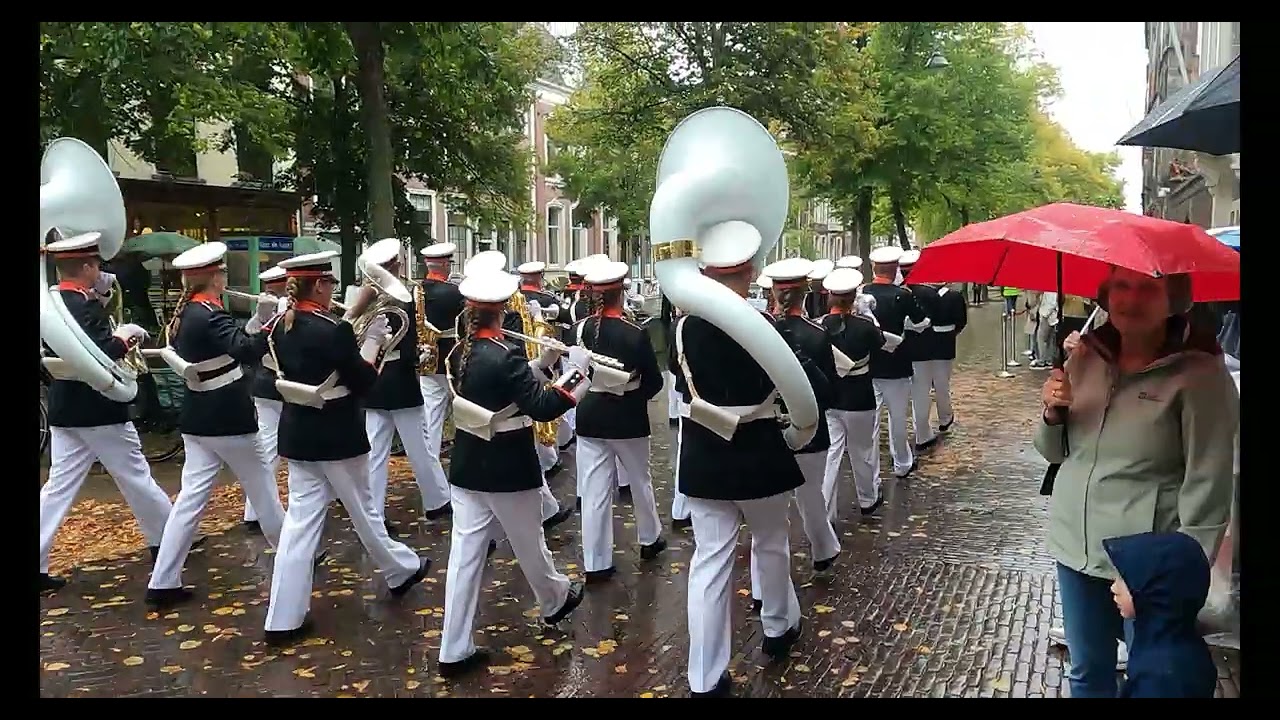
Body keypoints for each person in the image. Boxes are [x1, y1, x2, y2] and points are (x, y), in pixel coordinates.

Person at [1035, 267, 1237, 698]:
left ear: (1176, 298)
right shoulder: (1086, 356)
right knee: (1088, 672)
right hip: (1076, 546)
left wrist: (1180, 577)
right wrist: (1053, 413)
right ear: (1106, 293)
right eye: (1122, 286)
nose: (1132, 299)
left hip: (1146, 563)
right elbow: (1055, 453)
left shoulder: (1200, 374)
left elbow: (1210, 481)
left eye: (1149, 288)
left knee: (1152, 677)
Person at [262, 250, 430, 645]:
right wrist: (373, 344)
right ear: (319, 285)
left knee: (301, 525)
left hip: (299, 434)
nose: (334, 290)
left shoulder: (281, 327)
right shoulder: (331, 329)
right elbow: (363, 382)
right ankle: (399, 569)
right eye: (330, 284)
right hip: (337, 433)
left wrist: (354, 331)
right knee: (364, 510)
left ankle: (282, 617)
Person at [437, 269, 589, 677]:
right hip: (507, 465)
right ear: (501, 312)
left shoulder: (461, 352)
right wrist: (579, 374)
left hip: (469, 466)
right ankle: (555, 598)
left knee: (465, 558)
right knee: (529, 543)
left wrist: (544, 362)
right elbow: (541, 407)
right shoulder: (504, 355)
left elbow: (511, 391)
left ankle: (453, 648)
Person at [671, 246, 804, 698]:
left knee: (709, 562)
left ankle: (704, 678)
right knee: (770, 542)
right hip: (758, 451)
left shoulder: (683, 327)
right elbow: (786, 382)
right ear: (747, 273)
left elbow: (678, 377)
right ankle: (777, 627)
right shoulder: (762, 327)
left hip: (706, 454)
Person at [145, 242, 288, 608]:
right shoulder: (210, 314)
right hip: (228, 419)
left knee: (190, 501)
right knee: (264, 494)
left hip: (198, 417)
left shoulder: (188, 313)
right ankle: (293, 555)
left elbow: (229, 346)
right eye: (222, 272)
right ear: (213, 277)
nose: (226, 277)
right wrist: (275, 319)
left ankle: (163, 580)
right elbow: (246, 349)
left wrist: (259, 320)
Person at [39, 231, 174, 593]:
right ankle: (169, 539)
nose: (100, 270)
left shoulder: (54, 304)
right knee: (135, 476)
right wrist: (127, 334)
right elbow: (101, 352)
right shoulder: (82, 305)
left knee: (57, 488)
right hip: (99, 407)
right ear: (85, 266)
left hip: (66, 406)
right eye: (96, 264)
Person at [351, 238, 452, 535]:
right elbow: (407, 342)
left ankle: (374, 512)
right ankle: (436, 501)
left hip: (374, 378)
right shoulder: (402, 296)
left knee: (376, 450)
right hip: (400, 379)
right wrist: (417, 356)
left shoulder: (366, 297)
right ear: (395, 265)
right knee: (419, 446)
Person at [574, 261, 667, 582]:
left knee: (595, 490)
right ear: (620, 294)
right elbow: (655, 383)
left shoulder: (579, 329)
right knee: (640, 480)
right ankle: (649, 537)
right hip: (627, 417)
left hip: (588, 416)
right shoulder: (635, 334)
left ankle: (596, 561)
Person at [757, 258, 841, 576]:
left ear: (775, 293)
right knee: (811, 496)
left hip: (770, 427)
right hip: (810, 428)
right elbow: (830, 392)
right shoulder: (817, 335)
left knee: (767, 511)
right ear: (806, 293)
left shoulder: (760, 332)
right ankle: (822, 550)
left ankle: (765, 580)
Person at [1103, 531, 1218, 698]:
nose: (1114, 587)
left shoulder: (1163, 676)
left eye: (1124, 579)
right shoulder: (1165, 638)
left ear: (1157, 592)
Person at [819, 267, 891, 521]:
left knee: (831, 455)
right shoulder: (865, 326)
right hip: (860, 397)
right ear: (854, 298)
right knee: (862, 451)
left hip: (831, 396)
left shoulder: (820, 326)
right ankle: (867, 499)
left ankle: (824, 509)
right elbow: (884, 345)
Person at [861, 246, 925, 478]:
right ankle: (902, 463)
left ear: (874, 267)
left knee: (871, 421)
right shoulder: (903, 295)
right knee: (897, 418)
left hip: (869, 364)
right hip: (897, 364)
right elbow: (921, 322)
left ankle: (871, 472)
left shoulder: (862, 292)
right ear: (895, 269)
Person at [415, 242, 466, 518]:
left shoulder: (417, 291)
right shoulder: (455, 293)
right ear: (445, 265)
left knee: (431, 423)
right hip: (451, 361)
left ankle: (432, 479)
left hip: (426, 362)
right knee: (464, 415)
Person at [242, 265, 289, 533]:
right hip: (276, 386)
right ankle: (257, 510)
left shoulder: (276, 310)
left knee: (270, 448)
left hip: (270, 386)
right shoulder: (270, 312)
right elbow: (251, 337)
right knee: (275, 448)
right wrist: (266, 316)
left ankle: (255, 510)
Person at [896, 250, 942, 454]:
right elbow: (937, 321)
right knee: (921, 393)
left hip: (899, 351)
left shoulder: (896, 293)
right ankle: (922, 433)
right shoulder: (930, 294)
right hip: (923, 351)